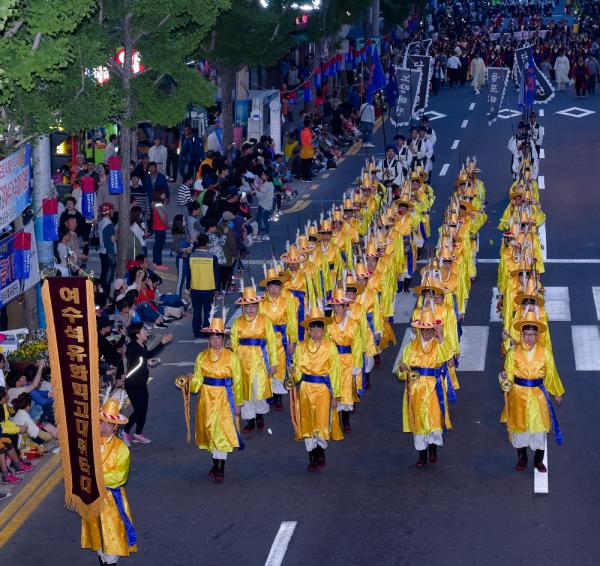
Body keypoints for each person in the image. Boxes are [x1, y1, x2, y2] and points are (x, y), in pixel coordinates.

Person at [499, 310, 564, 473]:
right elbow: (508, 374)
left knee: (540, 429)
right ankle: (522, 458)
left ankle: (538, 461)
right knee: (520, 430)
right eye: (526, 334)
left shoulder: (544, 353)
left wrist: (557, 392)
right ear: (521, 334)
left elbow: (551, 373)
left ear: (537, 336)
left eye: (532, 334)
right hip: (518, 395)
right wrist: (505, 378)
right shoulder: (513, 353)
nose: (529, 337)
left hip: (538, 396)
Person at [186, 311, 243, 482]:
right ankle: (214, 463)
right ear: (209, 340)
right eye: (213, 338)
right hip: (207, 399)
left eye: (219, 338)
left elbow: (238, 381)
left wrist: (238, 403)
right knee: (210, 431)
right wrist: (190, 381)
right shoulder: (201, 357)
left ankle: (220, 468)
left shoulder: (232, 357)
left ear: (224, 339)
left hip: (225, 398)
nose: (216, 341)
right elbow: (198, 381)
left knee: (222, 431)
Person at [81, 398, 137, 564]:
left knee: (111, 543)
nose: (103, 427)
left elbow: (120, 477)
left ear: (115, 427)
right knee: (98, 541)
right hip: (92, 500)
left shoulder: (121, 448)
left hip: (111, 501)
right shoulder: (87, 443)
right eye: (101, 422)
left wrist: (95, 476)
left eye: (108, 424)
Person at [397, 308, 453, 468]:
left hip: (434, 388)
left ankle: (433, 450)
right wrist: (403, 369)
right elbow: (402, 367)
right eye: (424, 330)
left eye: (430, 330)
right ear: (419, 330)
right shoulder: (410, 347)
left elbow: (448, 357)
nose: (427, 333)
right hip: (416, 390)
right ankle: (422, 455)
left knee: (434, 419)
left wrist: (441, 336)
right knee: (419, 421)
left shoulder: (438, 345)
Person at [290, 306, 343, 471]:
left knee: (321, 421)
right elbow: (298, 372)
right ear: (308, 330)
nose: (315, 332)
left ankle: (320, 452)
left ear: (323, 329)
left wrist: (336, 395)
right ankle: (312, 457)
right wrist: (293, 372)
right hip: (306, 389)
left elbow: (335, 371)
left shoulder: (330, 347)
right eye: (312, 329)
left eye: (318, 329)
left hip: (323, 390)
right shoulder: (301, 347)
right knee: (307, 421)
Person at [231, 283, 279, 433]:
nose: (251, 309)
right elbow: (234, 344)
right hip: (242, 361)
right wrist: (232, 364)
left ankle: (259, 415)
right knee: (246, 390)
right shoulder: (237, 322)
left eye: (253, 305)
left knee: (259, 387)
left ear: (258, 306)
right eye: (248, 306)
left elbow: (272, 342)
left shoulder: (265, 320)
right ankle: (249, 419)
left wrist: (274, 362)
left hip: (260, 360)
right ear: (243, 307)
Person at [123, 323, 172, 445]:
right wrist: (162, 343)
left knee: (143, 409)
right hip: (132, 384)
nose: (146, 332)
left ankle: (138, 434)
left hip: (141, 382)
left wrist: (149, 362)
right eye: (143, 330)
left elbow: (144, 358)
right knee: (138, 410)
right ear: (137, 335)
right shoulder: (132, 347)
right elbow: (143, 355)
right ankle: (125, 431)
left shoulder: (142, 345)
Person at [259, 267, 297, 412]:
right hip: (266, 341)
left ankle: (278, 397)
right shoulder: (260, 303)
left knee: (280, 367)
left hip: (281, 340)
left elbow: (292, 322)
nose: (274, 289)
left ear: (281, 287)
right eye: (271, 286)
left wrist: (292, 341)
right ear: (267, 287)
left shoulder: (287, 302)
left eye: (277, 286)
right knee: (267, 365)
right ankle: (268, 394)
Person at [327, 288, 364, 433]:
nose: (336, 308)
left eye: (339, 306)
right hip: (334, 361)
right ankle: (335, 419)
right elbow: (326, 344)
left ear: (345, 307)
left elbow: (357, 345)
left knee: (347, 389)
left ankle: (346, 420)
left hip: (348, 360)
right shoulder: (329, 324)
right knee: (334, 388)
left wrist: (357, 365)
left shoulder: (353, 324)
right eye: (334, 306)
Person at [189, 233, 219, 337]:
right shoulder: (213, 257)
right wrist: (217, 289)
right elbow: (216, 275)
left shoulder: (191, 256)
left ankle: (196, 332)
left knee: (197, 311)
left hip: (195, 288)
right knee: (208, 311)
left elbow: (188, 274)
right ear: (207, 244)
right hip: (209, 289)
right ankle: (206, 331)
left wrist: (188, 287)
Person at [171, 215, 192, 298]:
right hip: (181, 258)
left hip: (186, 257)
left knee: (186, 276)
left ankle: (183, 294)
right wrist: (186, 249)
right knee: (181, 278)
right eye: (183, 220)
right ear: (179, 222)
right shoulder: (177, 234)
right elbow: (176, 248)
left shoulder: (183, 230)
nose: (185, 222)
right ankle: (177, 296)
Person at [99, 202, 117, 291]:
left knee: (104, 274)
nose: (113, 211)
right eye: (112, 209)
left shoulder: (102, 222)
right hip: (109, 252)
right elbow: (112, 240)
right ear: (108, 211)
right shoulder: (109, 224)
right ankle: (105, 295)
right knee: (109, 276)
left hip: (102, 251)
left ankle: (102, 293)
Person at [151, 189, 168, 270]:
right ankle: (158, 263)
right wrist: (167, 225)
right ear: (160, 195)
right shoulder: (159, 205)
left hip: (157, 226)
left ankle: (156, 263)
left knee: (157, 245)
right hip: (160, 227)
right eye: (163, 193)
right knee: (159, 246)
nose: (164, 194)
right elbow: (163, 218)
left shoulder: (155, 204)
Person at [254, 169, 274, 241]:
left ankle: (258, 235)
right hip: (268, 205)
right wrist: (258, 189)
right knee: (265, 220)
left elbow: (262, 195)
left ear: (267, 176)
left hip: (263, 205)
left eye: (263, 175)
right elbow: (264, 193)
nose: (262, 176)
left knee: (258, 220)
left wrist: (256, 192)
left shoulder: (266, 184)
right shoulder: (270, 184)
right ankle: (266, 235)